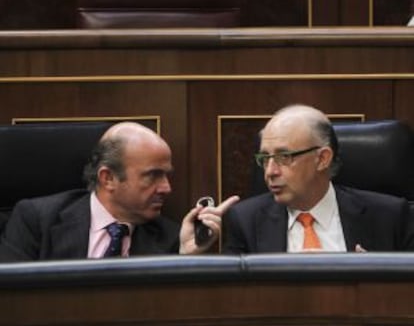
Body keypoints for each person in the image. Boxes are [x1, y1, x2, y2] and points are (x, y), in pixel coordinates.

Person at [0, 122, 239, 261]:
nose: (167, 188)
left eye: (167, 175)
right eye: (153, 175)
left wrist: (185, 259)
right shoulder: (37, 220)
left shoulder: (169, 240)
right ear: (108, 178)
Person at [223, 104, 414, 253]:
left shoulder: (389, 218)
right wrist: (193, 253)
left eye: (284, 157)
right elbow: (228, 299)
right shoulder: (245, 222)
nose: (270, 172)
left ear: (322, 159)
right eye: (265, 158)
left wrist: (373, 282)